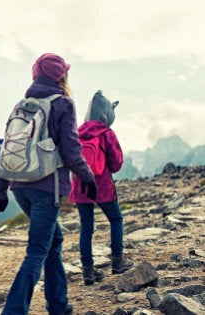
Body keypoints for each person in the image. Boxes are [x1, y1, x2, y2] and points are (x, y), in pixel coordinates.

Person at [0, 53, 96, 315]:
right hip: (47, 189)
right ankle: (14, 311)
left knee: (53, 240)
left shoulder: (21, 106)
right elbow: (71, 150)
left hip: (19, 187)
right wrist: (88, 178)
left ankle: (59, 305)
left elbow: (8, 148)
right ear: (61, 75)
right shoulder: (63, 103)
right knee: (37, 250)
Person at [69, 90, 134, 285]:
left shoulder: (77, 133)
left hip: (81, 187)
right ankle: (117, 262)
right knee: (116, 219)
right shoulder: (106, 133)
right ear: (106, 116)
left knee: (86, 228)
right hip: (103, 186)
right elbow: (116, 163)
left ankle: (88, 272)